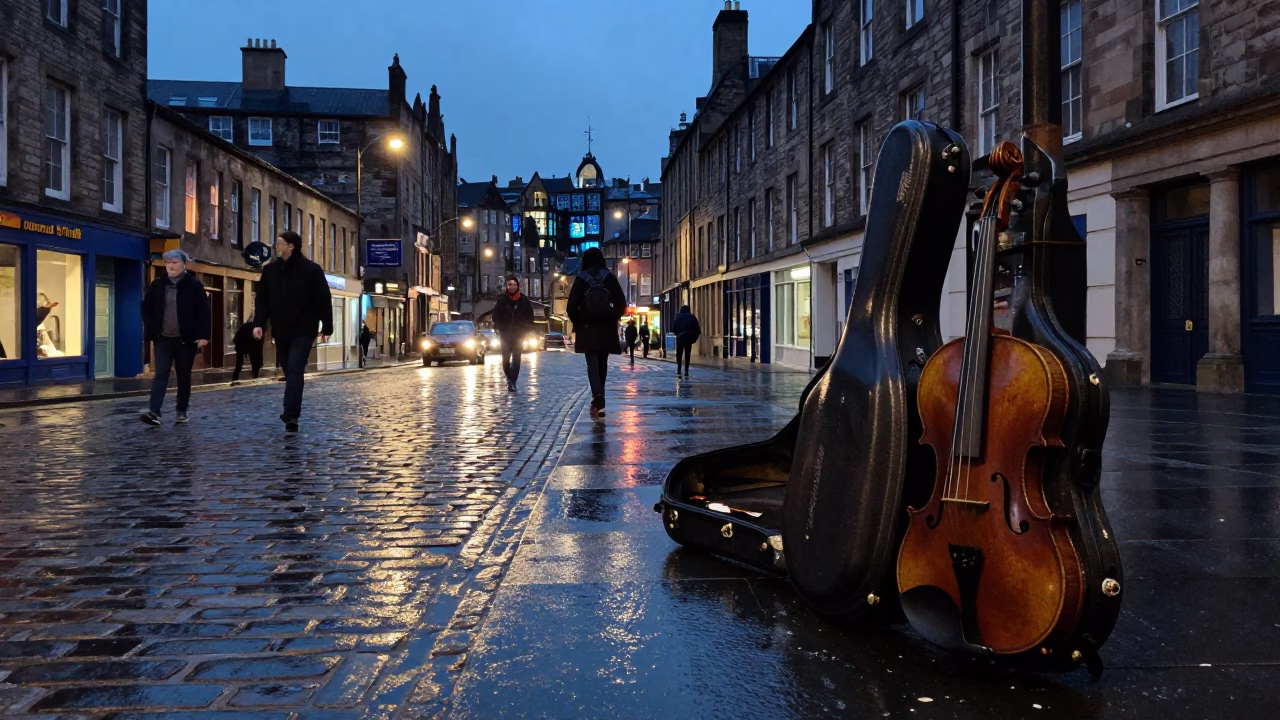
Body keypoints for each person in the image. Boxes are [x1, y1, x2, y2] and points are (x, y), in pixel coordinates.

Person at [253, 231, 333, 433]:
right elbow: (262, 300)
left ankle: (291, 414)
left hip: (304, 329)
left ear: (291, 246)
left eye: (279, 244)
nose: (275, 247)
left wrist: (327, 326)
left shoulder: (311, 270)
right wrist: (258, 323)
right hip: (281, 330)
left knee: (296, 369)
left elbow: (323, 299)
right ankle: (292, 412)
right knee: (290, 371)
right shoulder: (270, 271)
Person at [140, 250, 211, 425]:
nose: (171, 266)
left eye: (174, 263)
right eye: (168, 263)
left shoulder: (194, 285)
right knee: (161, 374)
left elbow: (204, 312)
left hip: (185, 339)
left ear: (183, 264)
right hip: (163, 338)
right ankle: (154, 412)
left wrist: (203, 335)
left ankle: (181, 410)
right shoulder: (158, 284)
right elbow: (146, 308)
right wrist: (151, 329)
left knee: (183, 376)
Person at [567, 247, 627, 420]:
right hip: (607, 326)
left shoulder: (581, 279)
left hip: (587, 326)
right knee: (602, 362)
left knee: (592, 362)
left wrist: (579, 321)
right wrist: (612, 316)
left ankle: (598, 397)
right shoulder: (609, 277)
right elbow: (621, 303)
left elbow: (571, 306)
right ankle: (600, 397)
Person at [493, 274, 535, 392]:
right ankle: (509, 376)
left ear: (518, 286)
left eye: (514, 284)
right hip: (505, 335)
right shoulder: (502, 300)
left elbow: (530, 318)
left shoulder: (524, 301)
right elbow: (495, 317)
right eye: (510, 284)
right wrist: (500, 328)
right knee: (506, 360)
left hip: (519, 335)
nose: (512, 287)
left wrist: (525, 329)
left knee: (516, 359)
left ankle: (512, 381)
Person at [672, 304, 702, 379]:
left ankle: (679, 368)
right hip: (689, 337)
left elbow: (674, 328)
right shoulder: (692, 317)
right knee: (687, 354)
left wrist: (677, 334)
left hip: (680, 337)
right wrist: (693, 338)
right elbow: (698, 330)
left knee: (679, 353)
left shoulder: (678, 317)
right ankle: (686, 370)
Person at [231, 317, 264, 384]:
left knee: (254, 360)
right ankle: (235, 378)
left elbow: (259, 352)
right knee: (239, 363)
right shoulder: (247, 329)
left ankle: (255, 375)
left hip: (251, 341)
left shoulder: (258, 331)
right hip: (242, 340)